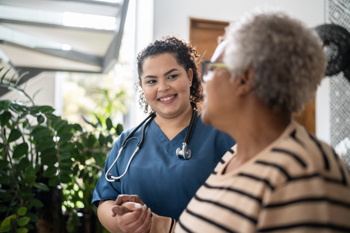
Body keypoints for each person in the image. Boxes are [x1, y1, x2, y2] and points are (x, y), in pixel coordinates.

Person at [175, 10, 350, 232]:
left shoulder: (304, 172)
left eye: (211, 69)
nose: (202, 80)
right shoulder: (232, 157)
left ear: (244, 79)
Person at [92, 36, 235, 233]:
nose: (163, 87)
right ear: (142, 87)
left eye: (172, 76)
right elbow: (105, 201)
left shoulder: (222, 136)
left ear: (190, 76)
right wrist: (124, 222)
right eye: (151, 81)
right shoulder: (127, 142)